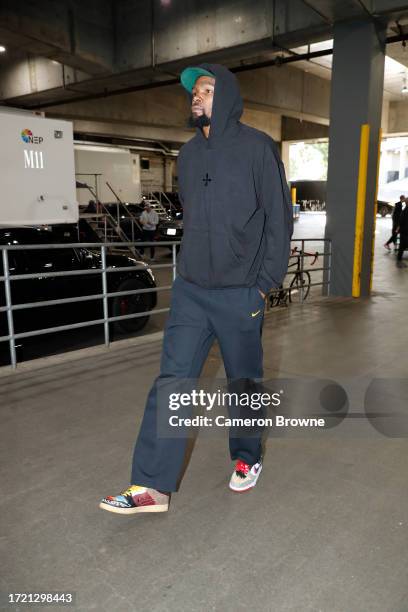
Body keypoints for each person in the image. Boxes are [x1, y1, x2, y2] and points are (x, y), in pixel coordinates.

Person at [100, 63, 293, 515]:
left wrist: (263, 285)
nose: (197, 97)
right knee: (172, 381)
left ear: (225, 95)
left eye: (206, 89)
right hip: (190, 290)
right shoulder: (187, 156)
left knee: (242, 383)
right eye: (194, 92)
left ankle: (247, 457)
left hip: (240, 292)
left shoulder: (258, 149)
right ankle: (151, 485)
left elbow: (278, 221)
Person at [396, 199, 408, 268]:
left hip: (404, 230)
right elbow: (401, 220)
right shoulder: (405, 210)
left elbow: (401, 220)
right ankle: (399, 259)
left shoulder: (404, 210)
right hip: (405, 230)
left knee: (402, 245)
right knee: (402, 245)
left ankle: (399, 258)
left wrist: (398, 228)